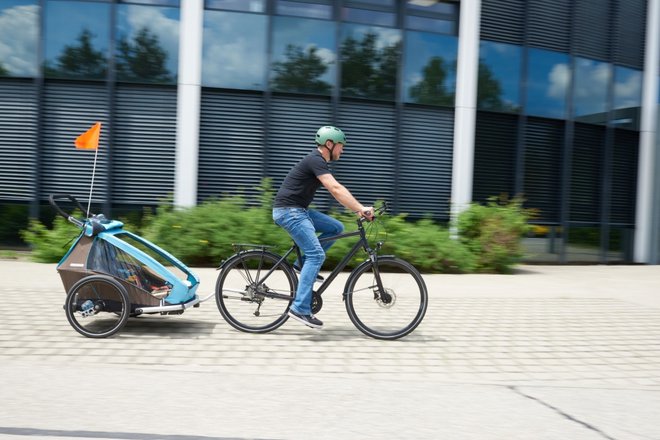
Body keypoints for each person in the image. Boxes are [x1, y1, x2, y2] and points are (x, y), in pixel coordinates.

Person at [272, 126, 373, 329]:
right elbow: (335, 189)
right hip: (289, 212)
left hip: (298, 210)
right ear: (329, 144)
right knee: (316, 255)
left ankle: (300, 266)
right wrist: (361, 208)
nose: (342, 150)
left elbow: (337, 191)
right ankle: (300, 308)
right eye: (341, 146)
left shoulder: (319, 162)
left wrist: (355, 210)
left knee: (336, 227)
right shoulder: (315, 160)